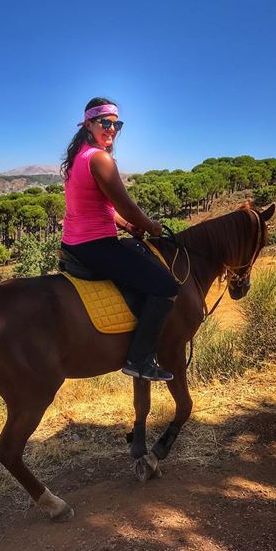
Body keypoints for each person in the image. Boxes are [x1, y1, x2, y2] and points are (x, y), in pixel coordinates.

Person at [60, 97, 179, 381]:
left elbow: (102, 208)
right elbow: (127, 205)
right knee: (165, 286)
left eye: (117, 124)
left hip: (74, 244)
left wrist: (127, 225)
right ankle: (139, 360)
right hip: (96, 245)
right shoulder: (100, 159)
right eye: (105, 123)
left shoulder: (79, 157)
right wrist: (151, 226)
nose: (112, 129)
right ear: (88, 123)